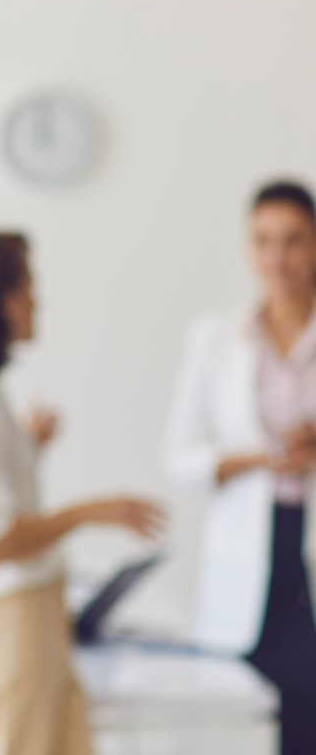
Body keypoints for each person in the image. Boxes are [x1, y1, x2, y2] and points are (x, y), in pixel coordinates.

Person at [0, 232, 164, 755]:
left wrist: (28, 450)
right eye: (25, 288)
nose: (36, 302)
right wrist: (91, 512)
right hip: (4, 631)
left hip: (27, 625)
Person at [162, 180, 316, 754]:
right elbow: (179, 459)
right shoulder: (215, 338)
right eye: (264, 241)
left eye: (294, 240)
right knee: (256, 721)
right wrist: (264, 458)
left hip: (308, 544)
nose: (277, 257)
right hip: (251, 559)